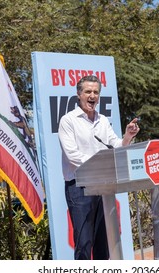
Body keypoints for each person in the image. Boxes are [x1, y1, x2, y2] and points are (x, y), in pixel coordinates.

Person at [58, 75, 140, 260]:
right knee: (84, 242)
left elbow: (116, 146)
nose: (92, 95)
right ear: (79, 94)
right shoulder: (68, 120)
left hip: (103, 187)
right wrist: (100, 164)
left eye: (96, 92)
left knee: (103, 241)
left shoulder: (102, 120)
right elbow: (72, 156)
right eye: (88, 91)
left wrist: (127, 136)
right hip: (79, 187)